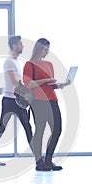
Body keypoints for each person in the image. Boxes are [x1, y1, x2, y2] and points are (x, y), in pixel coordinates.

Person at [23, 38, 69, 171]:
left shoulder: (49, 64)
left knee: (57, 129)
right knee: (40, 131)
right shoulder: (29, 64)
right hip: (38, 101)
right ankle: (39, 162)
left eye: (48, 49)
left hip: (52, 100)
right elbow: (28, 84)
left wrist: (61, 85)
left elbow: (50, 85)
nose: (47, 52)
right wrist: (46, 79)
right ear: (38, 49)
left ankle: (48, 160)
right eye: (45, 49)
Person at [0, 35, 33, 166]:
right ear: (14, 46)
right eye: (20, 44)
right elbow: (14, 82)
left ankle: (38, 157)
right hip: (9, 100)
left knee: (27, 127)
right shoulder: (9, 62)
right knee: (2, 128)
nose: (22, 46)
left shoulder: (15, 62)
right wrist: (28, 95)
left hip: (17, 100)